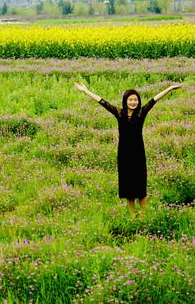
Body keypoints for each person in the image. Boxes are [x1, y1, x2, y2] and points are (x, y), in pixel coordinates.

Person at [74, 82, 182, 214]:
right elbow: (102, 102)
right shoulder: (119, 113)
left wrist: (169, 88)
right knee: (127, 186)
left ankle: (144, 215)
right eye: (130, 99)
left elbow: (154, 99)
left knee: (141, 187)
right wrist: (86, 90)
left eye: (135, 100)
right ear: (125, 101)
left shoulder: (141, 113)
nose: (133, 102)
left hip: (138, 154)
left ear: (138, 101)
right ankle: (132, 215)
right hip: (124, 154)